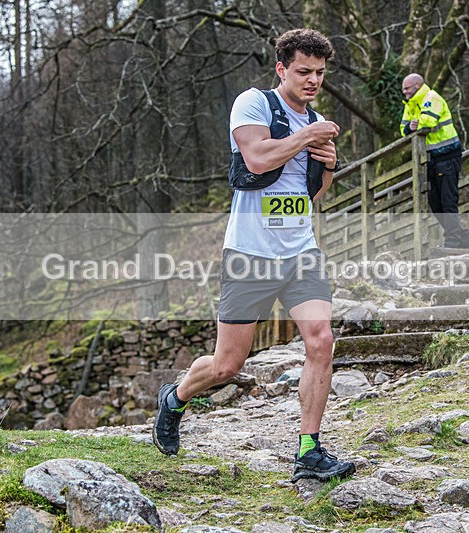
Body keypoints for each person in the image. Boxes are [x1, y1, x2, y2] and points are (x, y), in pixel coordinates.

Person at [154, 28, 356, 483]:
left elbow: (314, 195)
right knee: (228, 365)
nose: (312, 81)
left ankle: (309, 450)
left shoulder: (315, 119)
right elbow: (258, 160)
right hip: (250, 254)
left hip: (301, 251)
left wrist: (328, 163)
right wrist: (308, 137)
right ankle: (177, 397)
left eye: (320, 73)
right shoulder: (254, 104)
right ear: (282, 68)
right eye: (303, 71)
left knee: (320, 339)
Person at [400, 73, 469, 249]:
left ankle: (452, 240)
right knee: (435, 202)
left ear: (418, 85)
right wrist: (410, 126)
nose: (404, 92)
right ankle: (463, 239)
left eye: (407, 88)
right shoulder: (410, 105)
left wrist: (415, 124)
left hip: (447, 155)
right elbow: (403, 129)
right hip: (430, 159)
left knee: (447, 200)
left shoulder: (431, 97)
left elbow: (428, 121)